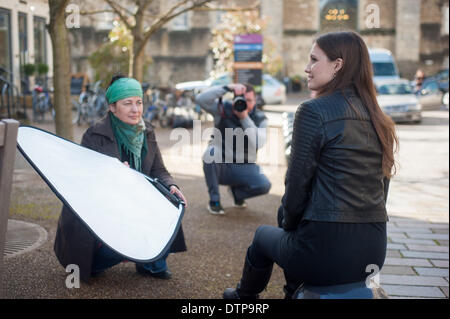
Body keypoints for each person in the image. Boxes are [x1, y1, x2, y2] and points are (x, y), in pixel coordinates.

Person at [223, 31, 398, 299]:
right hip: (372, 253)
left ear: (338, 65)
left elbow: (295, 188)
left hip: (324, 252)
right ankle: (294, 292)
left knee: (264, 236)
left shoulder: (313, 111)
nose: (307, 68)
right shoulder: (380, 119)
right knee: (295, 235)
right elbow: (381, 193)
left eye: (314, 60)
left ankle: (243, 299)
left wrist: (288, 223)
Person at [54, 75, 187, 283]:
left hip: (133, 200)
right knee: (112, 249)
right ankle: (95, 259)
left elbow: (158, 170)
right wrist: (113, 174)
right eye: (128, 104)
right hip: (105, 210)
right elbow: (84, 183)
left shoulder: (147, 131)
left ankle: (150, 262)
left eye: (139, 102)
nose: (136, 110)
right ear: (112, 107)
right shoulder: (94, 135)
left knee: (169, 203)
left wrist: (171, 186)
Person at [195, 83, 271, 215]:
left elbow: (259, 143)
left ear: (255, 101)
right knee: (210, 153)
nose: (245, 104)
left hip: (244, 165)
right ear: (234, 99)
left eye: (249, 100)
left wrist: (244, 118)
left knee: (264, 185)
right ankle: (215, 200)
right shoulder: (224, 109)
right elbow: (201, 99)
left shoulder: (260, 118)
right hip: (222, 164)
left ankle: (237, 194)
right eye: (241, 99)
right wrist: (227, 87)